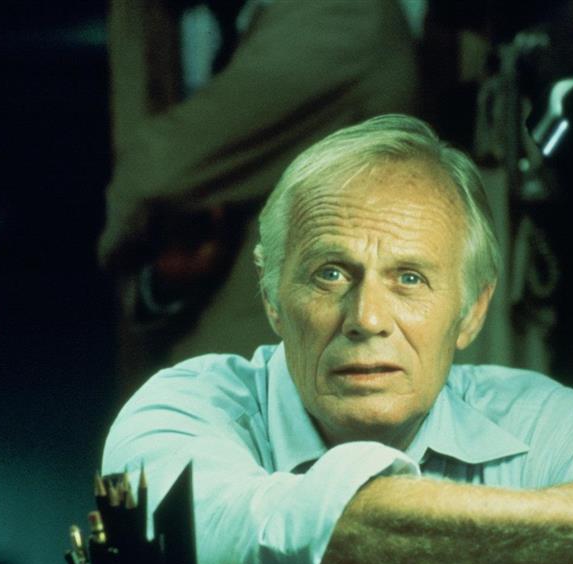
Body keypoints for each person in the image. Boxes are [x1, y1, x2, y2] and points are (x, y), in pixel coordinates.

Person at [103, 114, 573, 564]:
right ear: (273, 297)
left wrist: (458, 530)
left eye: (409, 278)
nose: (367, 317)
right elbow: (282, 530)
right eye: (330, 273)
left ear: (471, 312)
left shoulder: (521, 414)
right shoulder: (183, 408)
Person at [100, 0, 418, 397]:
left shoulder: (338, 17)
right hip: (240, 353)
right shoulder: (247, 19)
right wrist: (164, 280)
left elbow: (151, 171)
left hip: (277, 374)